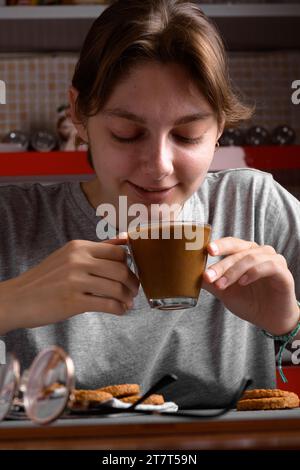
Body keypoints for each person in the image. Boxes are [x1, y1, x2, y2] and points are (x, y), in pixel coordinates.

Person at [0, 0, 299, 409]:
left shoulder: (256, 207)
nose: (158, 167)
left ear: (219, 129)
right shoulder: (11, 221)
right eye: (127, 133)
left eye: (188, 134)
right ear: (79, 114)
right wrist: (10, 302)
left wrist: (290, 324)